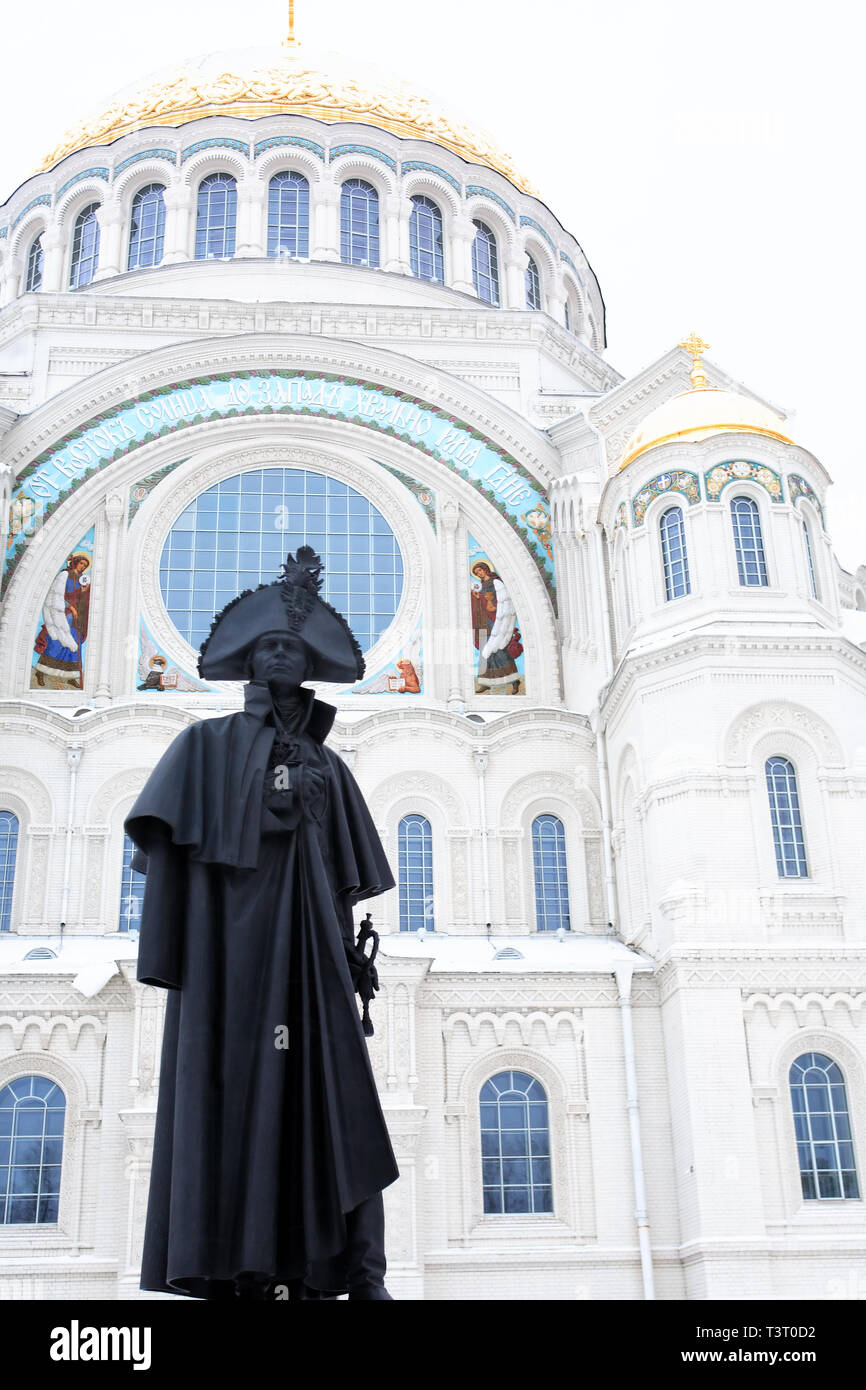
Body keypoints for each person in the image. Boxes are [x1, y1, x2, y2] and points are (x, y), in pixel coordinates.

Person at [125, 547, 399, 1300]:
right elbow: (170, 842)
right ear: (247, 662)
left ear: (309, 667)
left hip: (313, 954)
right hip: (232, 958)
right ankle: (245, 1269)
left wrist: (348, 952)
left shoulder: (329, 765)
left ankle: (360, 1269)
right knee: (236, 1093)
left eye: (292, 648)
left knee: (338, 1095)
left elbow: (344, 868)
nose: (280, 655)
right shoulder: (205, 746)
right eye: (268, 646)